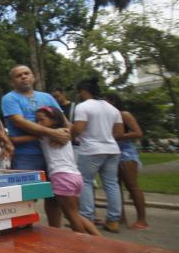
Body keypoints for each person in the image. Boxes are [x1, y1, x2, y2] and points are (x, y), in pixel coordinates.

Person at [10, 106, 101, 236]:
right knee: (75, 213)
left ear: (53, 120)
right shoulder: (65, 132)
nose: (38, 124)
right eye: (36, 120)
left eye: (41, 120)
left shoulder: (45, 135)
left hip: (61, 176)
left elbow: (16, 140)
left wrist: (7, 137)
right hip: (75, 176)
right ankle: (99, 238)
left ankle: (82, 243)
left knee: (72, 216)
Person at [1, 65, 71, 226]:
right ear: (12, 81)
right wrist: (52, 133)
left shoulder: (47, 97)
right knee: (26, 197)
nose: (23, 77)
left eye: (26, 73)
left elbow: (64, 120)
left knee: (55, 196)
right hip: (26, 156)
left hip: (53, 155)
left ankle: (55, 231)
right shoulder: (9, 98)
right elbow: (20, 122)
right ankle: (23, 231)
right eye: (18, 75)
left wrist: (66, 133)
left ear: (33, 77)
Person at [72, 77, 124, 233]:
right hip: (112, 149)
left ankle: (87, 218)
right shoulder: (112, 109)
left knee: (85, 182)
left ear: (84, 91)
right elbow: (120, 132)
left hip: (91, 150)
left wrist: (72, 132)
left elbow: (78, 129)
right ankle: (113, 220)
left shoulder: (83, 107)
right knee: (111, 184)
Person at [105, 93, 148, 230]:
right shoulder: (109, 116)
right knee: (115, 186)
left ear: (113, 101)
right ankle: (119, 216)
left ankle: (142, 220)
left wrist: (120, 135)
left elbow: (138, 132)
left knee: (132, 185)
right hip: (112, 152)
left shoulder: (124, 114)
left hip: (126, 153)